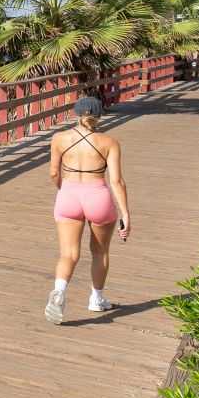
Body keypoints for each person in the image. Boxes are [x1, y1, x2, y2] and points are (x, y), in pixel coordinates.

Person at [45, 95, 130, 324]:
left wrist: (64, 191)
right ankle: (96, 299)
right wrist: (125, 214)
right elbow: (116, 182)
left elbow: (54, 173)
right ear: (99, 115)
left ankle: (59, 292)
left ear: (75, 113)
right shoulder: (109, 142)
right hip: (98, 197)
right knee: (99, 252)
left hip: (68, 197)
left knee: (68, 254)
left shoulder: (59, 138)